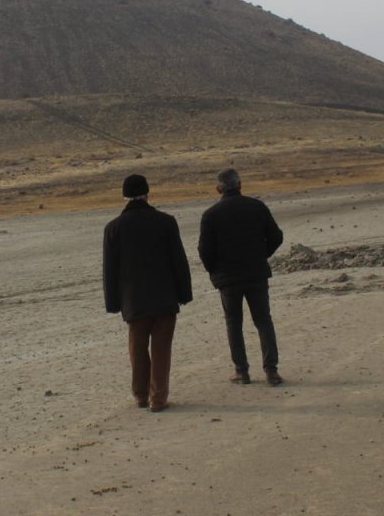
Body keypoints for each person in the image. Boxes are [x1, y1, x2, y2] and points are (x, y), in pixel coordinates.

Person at [103, 174, 193, 412]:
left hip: (133, 301)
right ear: (147, 193)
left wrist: (113, 303)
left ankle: (141, 395)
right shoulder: (166, 222)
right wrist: (184, 293)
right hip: (165, 298)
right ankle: (158, 398)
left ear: (124, 196)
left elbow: (109, 271)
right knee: (162, 350)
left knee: (137, 349)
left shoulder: (114, 228)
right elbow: (179, 261)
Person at [197, 168, 285, 385]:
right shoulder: (256, 207)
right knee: (263, 320)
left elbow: (204, 250)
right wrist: (261, 255)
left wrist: (216, 270)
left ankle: (242, 371)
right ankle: (271, 370)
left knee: (233, 324)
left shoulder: (211, 215)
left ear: (219, 189)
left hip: (228, 279)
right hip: (255, 274)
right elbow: (276, 237)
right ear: (240, 185)